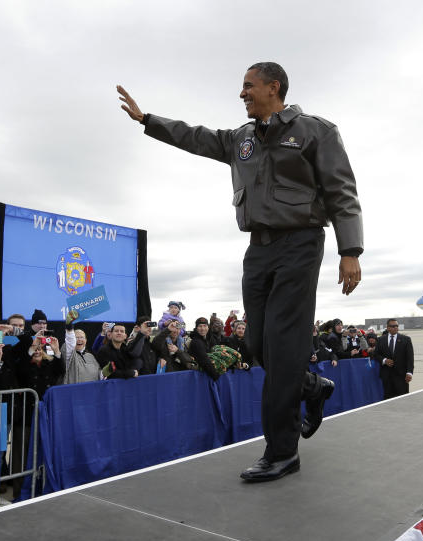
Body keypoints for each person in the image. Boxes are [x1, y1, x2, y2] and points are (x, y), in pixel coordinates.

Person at [119, 61, 362, 481]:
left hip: (301, 244)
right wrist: (147, 120)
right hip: (258, 250)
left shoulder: (315, 131)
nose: (242, 93)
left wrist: (350, 249)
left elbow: (342, 189)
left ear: (274, 87)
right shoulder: (240, 139)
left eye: (248, 86)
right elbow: (195, 137)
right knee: (256, 344)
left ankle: (282, 451)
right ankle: (311, 387)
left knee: (284, 349)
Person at [370, 319, 414, 400]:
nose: (395, 328)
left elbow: (410, 358)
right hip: (386, 377)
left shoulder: (406, 339)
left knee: (403, 399)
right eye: (393, 326)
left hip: (401, 376)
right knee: (388, 400)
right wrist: (384, 360)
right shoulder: (380, 340)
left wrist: (409, 372)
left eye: (397, 326)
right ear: (388, 328)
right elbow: (376, 355)